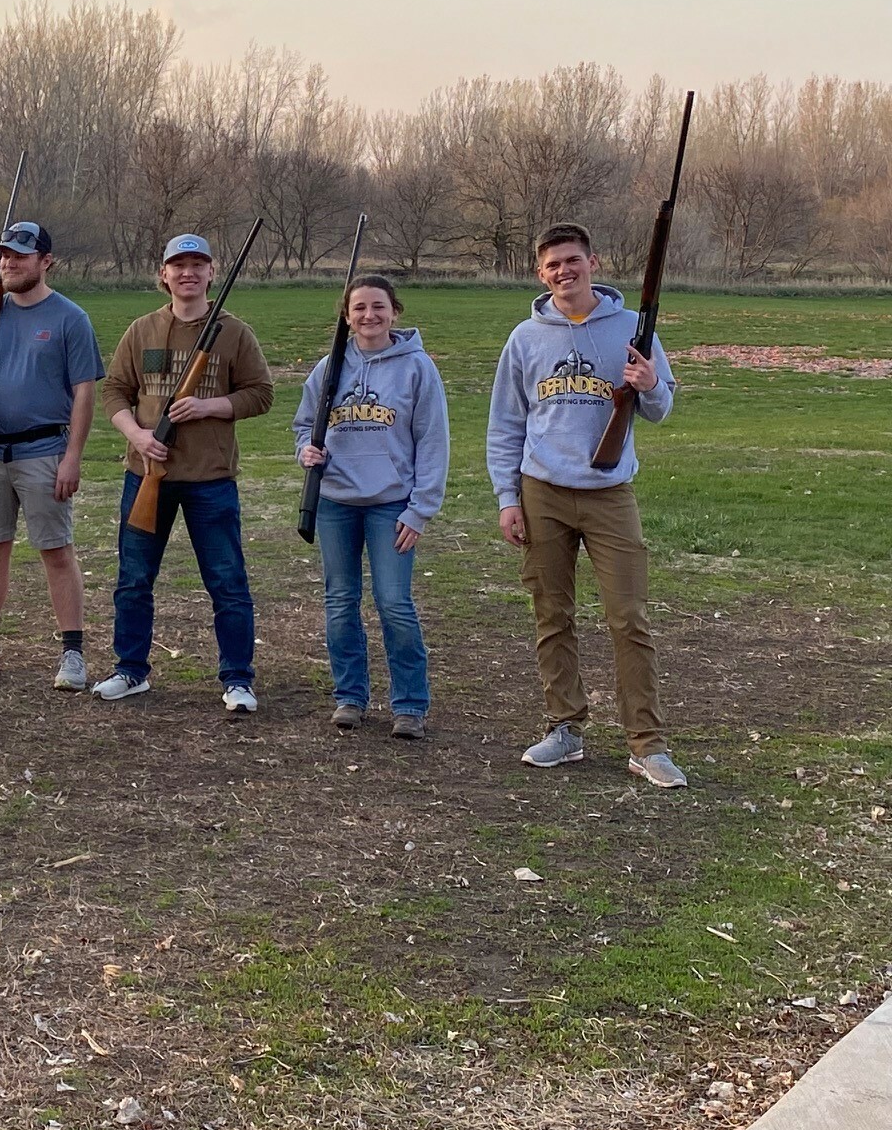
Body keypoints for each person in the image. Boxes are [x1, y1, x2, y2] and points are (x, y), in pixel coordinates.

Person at [488, 222, 684, 787]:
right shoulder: (525, 337)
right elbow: (505, 424)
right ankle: (564, 728)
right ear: (540, 273)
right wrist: (508, 498)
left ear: (593, 263)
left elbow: (661, 409)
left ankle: (647, 744)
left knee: (629, 618)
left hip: (609, 494)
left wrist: (649, 383)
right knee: (552, 616)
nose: (563, 271)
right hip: (542, 492)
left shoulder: (632, 328)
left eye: (572, 260)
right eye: (553, 265)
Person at [93, 232, 273, 706]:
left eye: (198, 264)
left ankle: (237, 679)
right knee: (134, 581)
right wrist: (138, 436)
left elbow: (261, 394)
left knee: (228, 583)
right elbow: (114, 391)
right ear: (164, 274)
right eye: (179, 265)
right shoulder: (142, 330)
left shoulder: (234, 332)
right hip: (145, 475)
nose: (188, 273)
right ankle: (130, 670)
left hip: (210, 481)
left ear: (212, 273)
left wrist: (210, 406)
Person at [0, 220, 102, 687]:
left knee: (56, 551)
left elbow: (84, 393)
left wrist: (73, 457)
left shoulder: (70, 318)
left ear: (46, 262)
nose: (9, 263)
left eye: (20, 256)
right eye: (5, 255)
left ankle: (73, 654)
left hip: (44, 451)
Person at [291, 275, 449, 738]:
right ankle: (350, 696)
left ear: (394, 311)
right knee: (340, 602)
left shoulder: (417, 368)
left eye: (378, 306)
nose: (369, 315)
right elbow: (303, 425)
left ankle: (410, 705)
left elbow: (433, 442)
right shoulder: (329, 368)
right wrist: (306, 451)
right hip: (335, 502)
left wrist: (419, 509)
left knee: (394, 602)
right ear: (347, 316)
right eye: (358, 308)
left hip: (391, 505)